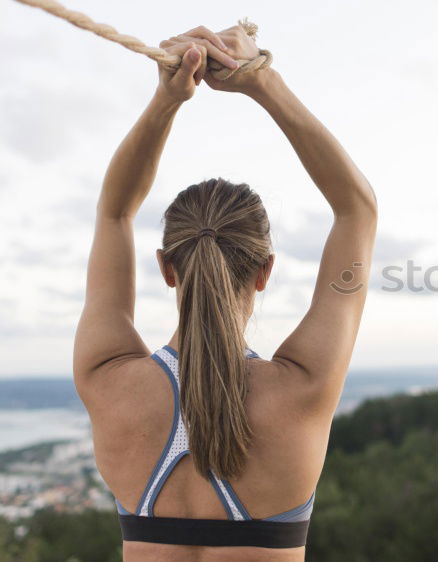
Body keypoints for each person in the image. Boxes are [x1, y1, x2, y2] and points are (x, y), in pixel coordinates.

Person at [72, 23, 377, 560]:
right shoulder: (303, 389)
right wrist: (260, 81)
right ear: (265, 270)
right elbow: (357, 208)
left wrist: (166, 100)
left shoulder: (108, 379)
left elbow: (114, 211)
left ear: (167, 268)